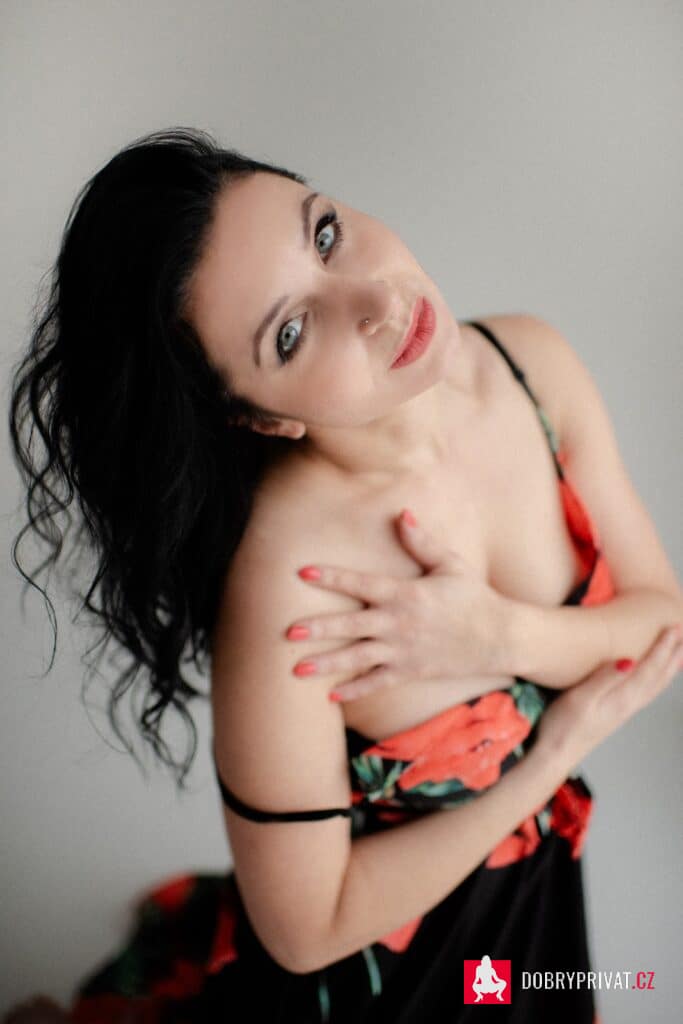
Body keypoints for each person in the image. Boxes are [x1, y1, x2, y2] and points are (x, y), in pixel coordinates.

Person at [6, 127, 682, 1024]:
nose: (377, 302)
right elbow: (305, 928)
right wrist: (548, 761)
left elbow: (661, 621)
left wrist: (497, 636)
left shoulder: (530, 367)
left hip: (531, 943)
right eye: (289, 333)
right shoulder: (290, 582)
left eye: (324, 233)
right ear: (259, 418)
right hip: (396, 993)